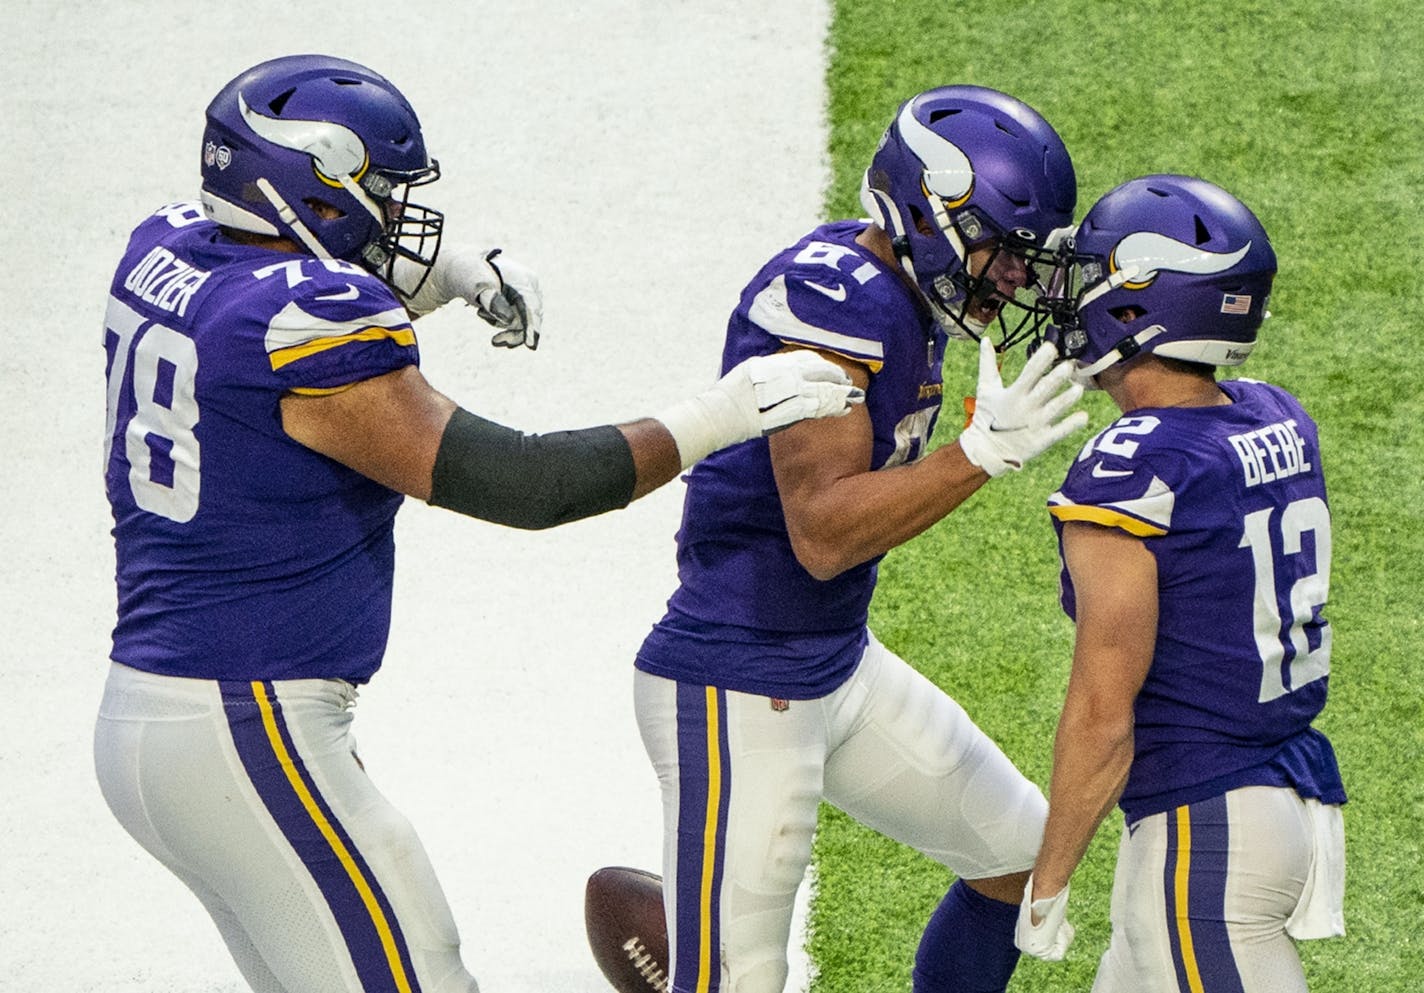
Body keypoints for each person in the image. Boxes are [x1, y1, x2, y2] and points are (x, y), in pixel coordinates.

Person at [94, 53, 862, 993]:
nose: (394, 213)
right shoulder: (316, 326)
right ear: (313, 187)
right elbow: (524, 482)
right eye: (375, 190)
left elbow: (249, 317)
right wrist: (720, 415)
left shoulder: (165, 247)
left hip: (160, 717)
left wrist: (453, 277)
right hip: (247, 721)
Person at [628, 85, 1088, 993]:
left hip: (829, 660)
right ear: (930, 214)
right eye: (1001, 252)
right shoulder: (829, 302)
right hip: (736, 678)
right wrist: (978, 455)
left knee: (1015, 850)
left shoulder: (901, 284)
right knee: (733, 979)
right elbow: (824, 536)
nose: (1015, 279)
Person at [1012, 175, 1346, 991]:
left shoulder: (1133, 465)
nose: (1069, 296)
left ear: (1140, 305)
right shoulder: (1277, 415)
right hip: (1278, 799)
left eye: (1091, 277)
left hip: (1209, 834)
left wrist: (1047, 879)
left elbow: (1103, 712)